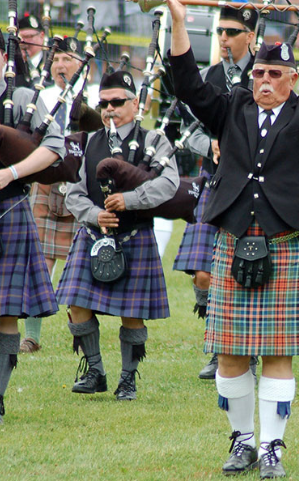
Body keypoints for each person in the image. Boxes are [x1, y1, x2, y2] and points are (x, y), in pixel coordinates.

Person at [158, 0, 299, 478]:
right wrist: (177, 21)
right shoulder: (231, 108)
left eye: (275, 73)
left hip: (288, 242)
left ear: (292, 77)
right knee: (231, 353)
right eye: (259, 72)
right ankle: (243, 440)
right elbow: (188, 83)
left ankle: (273, 449)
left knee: (278, 352)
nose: (265, 80)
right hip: (235, 240)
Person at [55, 69, 179, 401]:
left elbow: (167, 184)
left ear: (135, 103)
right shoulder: (89, 141)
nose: (109, 109)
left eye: (117, 102)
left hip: (134, 235)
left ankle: (128, 378)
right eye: (104, 103)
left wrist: (130, 200)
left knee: (132, 312)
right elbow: (74, 192)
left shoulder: (154, 140)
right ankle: (95, 370)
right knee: (76, 303)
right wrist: (96, 214)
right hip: (94, 235)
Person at [172, 3, 259, 380]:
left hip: (256, 189)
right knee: (205, 276)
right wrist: (210, 145)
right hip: (216, 183)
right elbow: (183, 131)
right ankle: (217, 344)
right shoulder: (207, 76)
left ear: (250, 36)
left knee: (251, 274)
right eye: (220, 31)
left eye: (232, 31)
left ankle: (252, 349)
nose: (223, 38)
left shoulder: (268, 72)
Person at [0, 31, 65, 423]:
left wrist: (10, 173)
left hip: (8, 208)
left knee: (4, 311)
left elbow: (53, 145)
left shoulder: (23, 98)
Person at [21, 37, 98, 354]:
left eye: (68, 59)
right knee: (38, 262)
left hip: (84, 187)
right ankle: (32, 336)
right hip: (47, 180)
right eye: (55, 60)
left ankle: (82, 332)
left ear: (83, 66)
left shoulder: (98, 98)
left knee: (83, 266)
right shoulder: (41, 97)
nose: (61, 65)